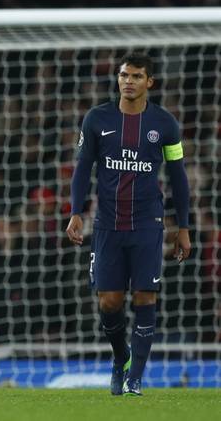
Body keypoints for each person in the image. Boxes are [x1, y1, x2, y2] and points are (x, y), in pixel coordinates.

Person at [66, 53, 191, 396]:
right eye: (124, 75)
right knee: (109, 301)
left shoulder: (165, 124)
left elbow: (178, 178)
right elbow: (82, 168)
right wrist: (76, 211)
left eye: (136, 76)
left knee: (145, 296)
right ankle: (120, 357)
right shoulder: (97, 119)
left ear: (149, 82)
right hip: (107, 224)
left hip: (148, 224)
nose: (128, 81)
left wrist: (184, 226)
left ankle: (135, 376)